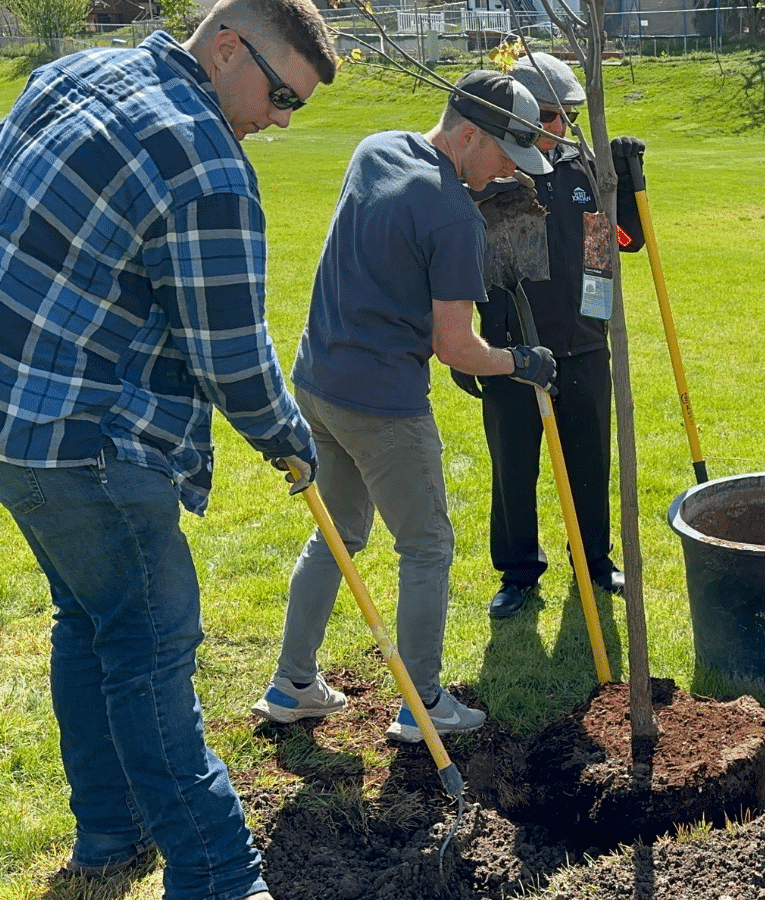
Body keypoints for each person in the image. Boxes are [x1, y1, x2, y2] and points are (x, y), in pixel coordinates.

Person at [0, 1, 337, 896]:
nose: (278, 121)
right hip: (73, 446)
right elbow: (232, 354)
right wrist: (287, 438)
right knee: (152, 643)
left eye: (293, 109)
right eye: (280, 97)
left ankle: (111, 834)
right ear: (227, 46)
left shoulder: (81, 71)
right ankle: (221, 878)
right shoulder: (208, 167)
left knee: (93, 617)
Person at [249, 72, 559, 743]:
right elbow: (457, 348)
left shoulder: (377, 148)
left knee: (338, 534)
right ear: (469, 131)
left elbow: (387, 260)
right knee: (426, 545)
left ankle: (293, 684)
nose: (509, 170)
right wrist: (519, 361)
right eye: (504, 154)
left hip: (318, 383)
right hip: (383, 403)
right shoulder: (453, 216)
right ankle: (421, 706)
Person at [453, 52, 644, 618]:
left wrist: (626, 184)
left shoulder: (586, 169)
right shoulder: (489, 171)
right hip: (510, 351)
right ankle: (517, 571)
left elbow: (622, 242)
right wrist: (469, 351)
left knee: (590, 460)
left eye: (571, 116)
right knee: (513, 466)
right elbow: (461, 263)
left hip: (583, 343)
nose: (564, 128)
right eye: (554, 117)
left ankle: (594, 559)